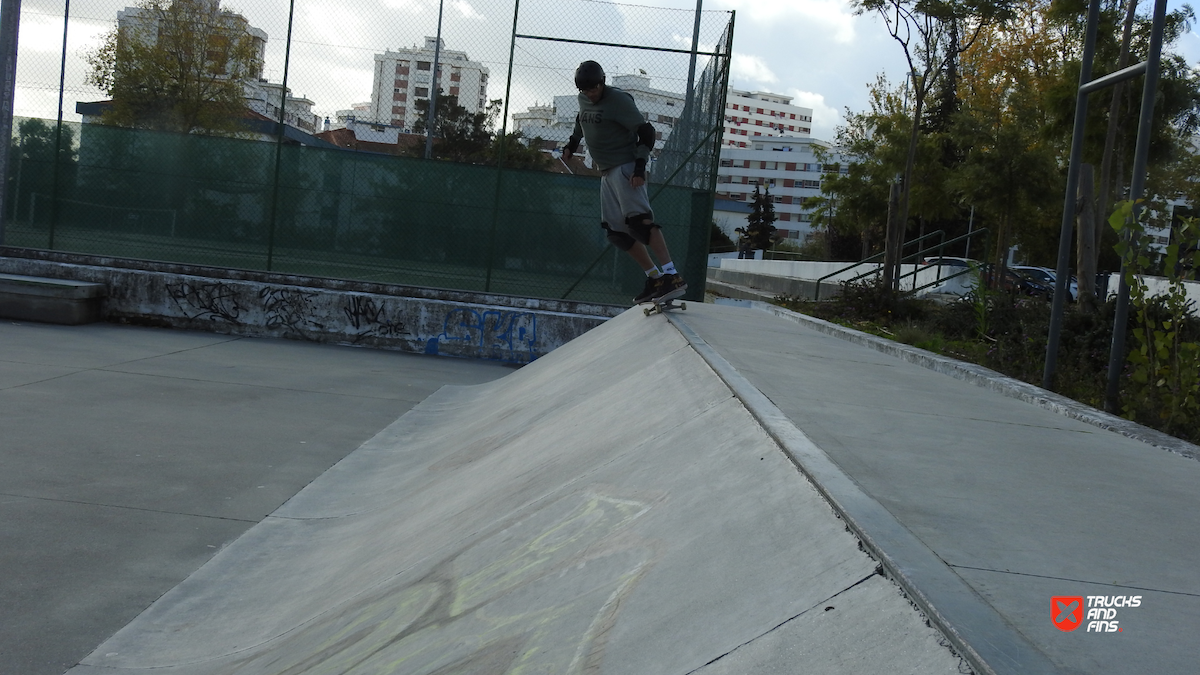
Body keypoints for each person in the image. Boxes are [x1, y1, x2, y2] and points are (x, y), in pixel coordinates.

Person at [562, 60, 687, 304]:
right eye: (586, 91)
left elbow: (647, 131)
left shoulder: (619, 100)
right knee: (616, 233)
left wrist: (640, 166)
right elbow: (581, 121)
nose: (591, 94)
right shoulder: (584, 99)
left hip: (627, 168)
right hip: (607, 172)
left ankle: (672, 275)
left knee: (639, 223)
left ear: (603, 82)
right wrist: (572, 144)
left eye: (594, 89)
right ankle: (655, 278)